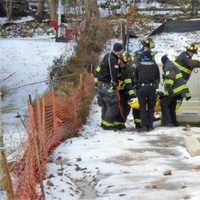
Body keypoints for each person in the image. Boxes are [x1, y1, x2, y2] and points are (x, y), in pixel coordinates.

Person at [94, 43, 125, 130]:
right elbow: (113, 73)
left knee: (105, 104)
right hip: (107, 85)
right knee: (112, 104)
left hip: (100, 84)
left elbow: (99, 69)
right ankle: (108, 125)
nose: (122, 52)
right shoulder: (113, 60)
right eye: (122, 50)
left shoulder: (107, 56)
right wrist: (115, 83)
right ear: (119, 50)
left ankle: (104, 123)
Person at [135, 38, 160, 131]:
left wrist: (137, 86)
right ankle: (150, 125)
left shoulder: (139, 65)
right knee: (151, 107)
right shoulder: (154, 65)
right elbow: (158, 77)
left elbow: (136, 77)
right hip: (151, 88)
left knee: (142, 108)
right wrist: (155, 86)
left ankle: (144, 126)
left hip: (141, 88)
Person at [160, 55, 192, 127]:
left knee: (164, 104)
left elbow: (170, 79)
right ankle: (174, 122)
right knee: (172, 106)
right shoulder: (172, 64)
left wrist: (169, 90)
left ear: (163, 62)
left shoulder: (168, 66)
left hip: (175, 90)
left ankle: (168, 123)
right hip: (180, 90)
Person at [118, 51, 141, 129]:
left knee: (126, 109)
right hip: (130, 91)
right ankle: (138, 124)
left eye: (121, 61)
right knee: (134, 109)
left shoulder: (128, 69)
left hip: (128, 92)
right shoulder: (128, 66)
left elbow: (128, 84)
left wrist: (131, 95)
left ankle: (122, 124)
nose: (120, 63)